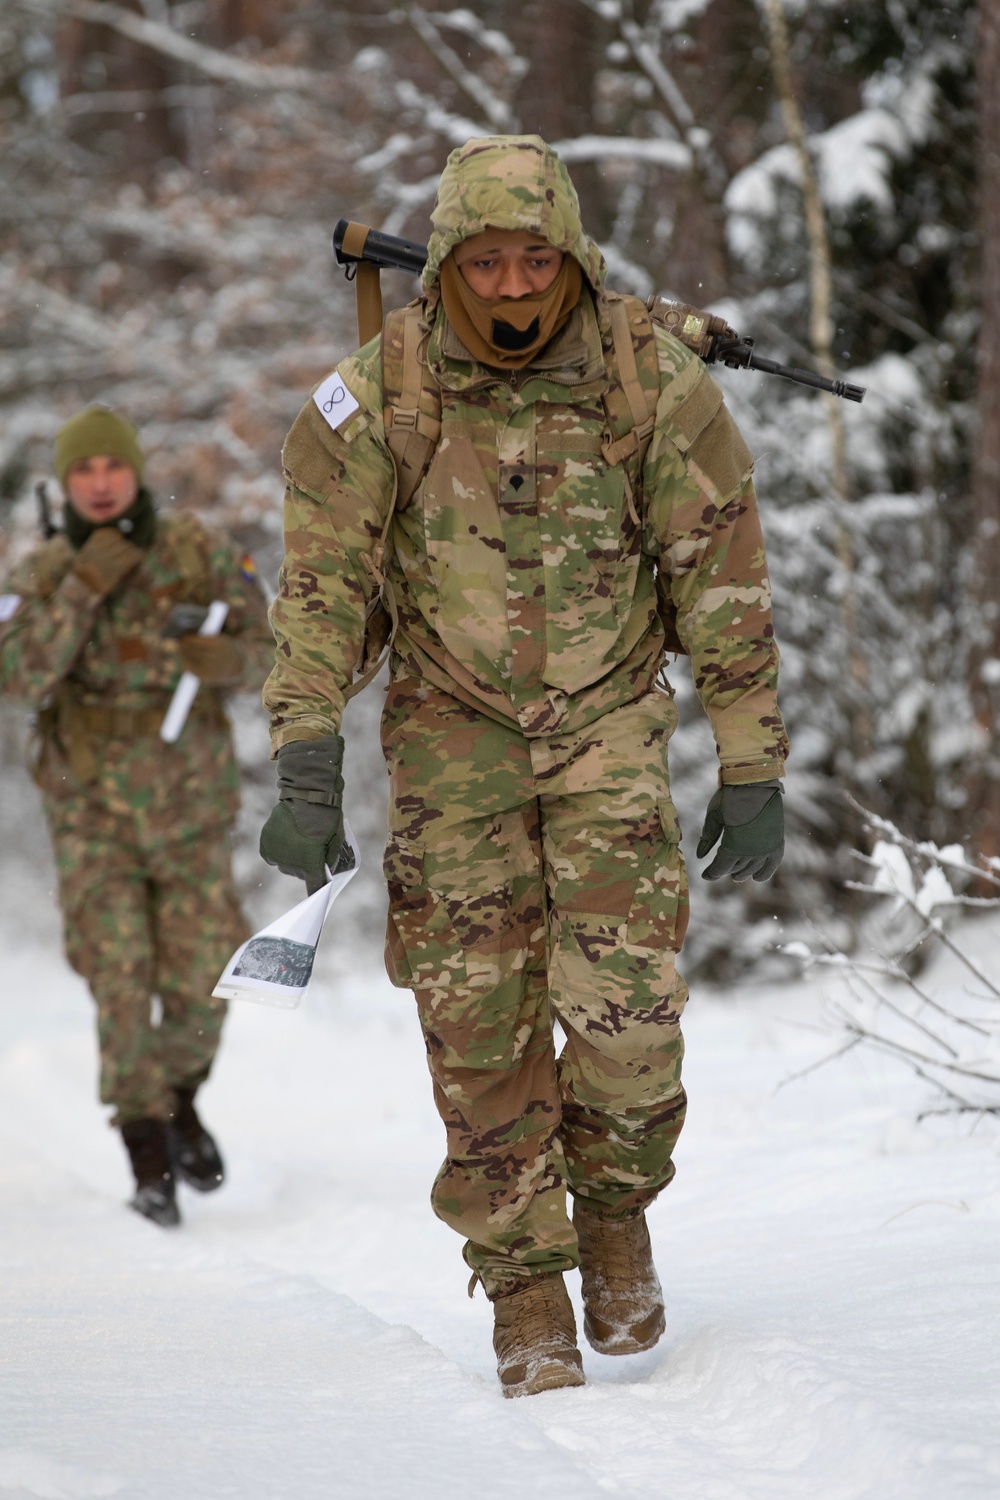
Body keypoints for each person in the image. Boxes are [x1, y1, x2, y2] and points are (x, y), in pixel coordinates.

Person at [259, 135, 789, 1396]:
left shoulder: (648, 377)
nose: (508, 285)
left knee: (627, 1011)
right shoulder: (375, 394)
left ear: (570, 257)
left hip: (608, 721)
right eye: (483, 261)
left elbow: (720, 576)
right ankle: (524, 1287)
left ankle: (613, 1213)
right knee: (475, 1014)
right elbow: (322, 587)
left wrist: (751, 759)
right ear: (446, 261)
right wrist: (305, 758)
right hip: (453, 733)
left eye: (532, 259)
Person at [0, 406, 273, 1227]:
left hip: (189, 803)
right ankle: (147, 1154)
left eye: (110, 468)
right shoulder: (44, 571)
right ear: (67, 480)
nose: (99, 483)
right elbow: (14, 674)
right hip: (92, 812)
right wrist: (83, 587)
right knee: (120, 981)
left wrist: (232, 660)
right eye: (82, 471)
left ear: (133, 471)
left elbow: (272, 639)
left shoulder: (192, 550)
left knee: (202, 984)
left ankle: (180, 1099)